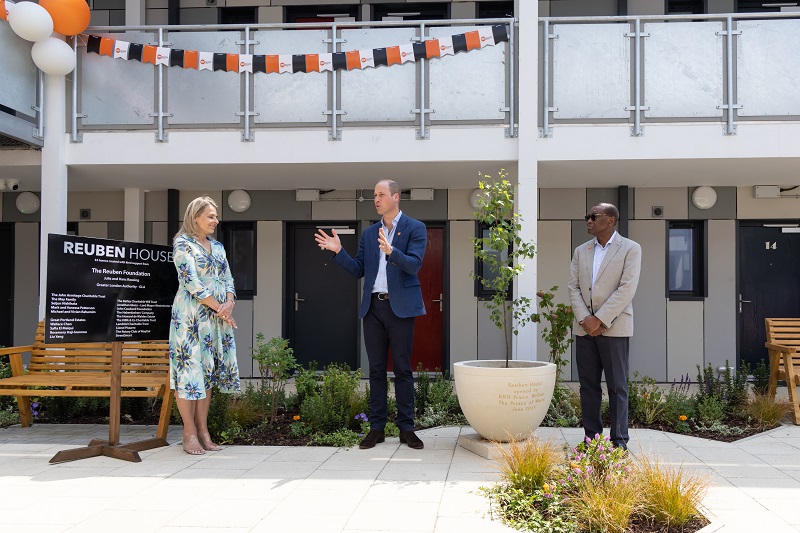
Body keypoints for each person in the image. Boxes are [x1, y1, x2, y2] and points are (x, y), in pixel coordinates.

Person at [315, 180, 427, 450]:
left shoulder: (415, 228)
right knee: (376, 370)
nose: (376, 199)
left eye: (381, 195)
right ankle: (376, 428)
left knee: (402, 369)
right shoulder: (369, 233)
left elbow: (414, 265)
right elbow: (357, 270)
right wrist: (339, 251)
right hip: (373, 308)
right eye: (374, 195)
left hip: (400, 308)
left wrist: (392, 252)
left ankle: (406, 428)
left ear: (396, 197)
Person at [169, 196, 241, 455]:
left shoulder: (218, 247)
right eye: (210, 216)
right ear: (195, 217)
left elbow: (229, 278)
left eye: (215, 216)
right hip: (190, 318)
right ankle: (188, 433)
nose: (215, 220)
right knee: (189, 373)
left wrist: (229, 303)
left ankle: (203, 431)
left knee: (207, 373)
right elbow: (191, 283)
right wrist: (220, 308)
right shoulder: (182, 244)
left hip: (215, 319)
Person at [567, 203, 641, 450]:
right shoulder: (581, 250)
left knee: (617, 386)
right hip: (584, 328)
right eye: (587, 216)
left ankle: (619, 441)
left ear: (610, 220)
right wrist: (585, 319)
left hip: (614, 327)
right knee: (588, 386)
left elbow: (627, 288)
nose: (588, 220)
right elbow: (573, 287)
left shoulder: (630, 249)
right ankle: (592, 440)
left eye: (593, 216)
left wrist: (599, 319)